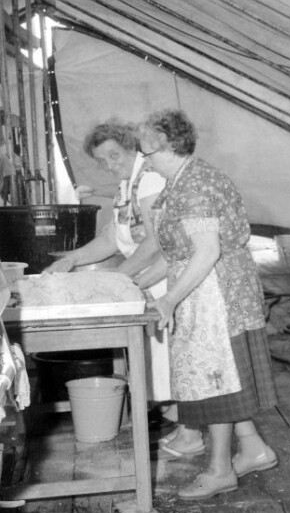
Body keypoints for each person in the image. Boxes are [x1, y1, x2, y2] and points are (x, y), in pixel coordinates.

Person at [135, 108, 277, 500]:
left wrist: (169, 298)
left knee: (217, 378)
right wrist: (134, 284)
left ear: (168, 148)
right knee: (217, 376)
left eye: (147, 153)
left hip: (216, 293)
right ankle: (253, 448)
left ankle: (219, 471)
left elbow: (206, 251)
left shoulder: (196, 184)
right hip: (202, 288)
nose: (144, 161)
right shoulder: (179, 182)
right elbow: (175, 251)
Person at [45, 121, 187, 451]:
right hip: (144, 280)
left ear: (130, 147)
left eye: (114, 155)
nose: (110, 164)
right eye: (102, 160)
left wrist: (116, 279)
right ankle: (182, 424)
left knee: (172, 360)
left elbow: (154, 243)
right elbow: (112, 238)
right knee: (159, 361)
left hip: (165, 281)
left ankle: (188, 427)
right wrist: (72, 260)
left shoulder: (149, 179)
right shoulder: (127, 185)